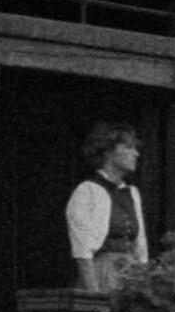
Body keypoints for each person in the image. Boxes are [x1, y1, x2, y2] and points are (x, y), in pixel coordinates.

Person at [63, 124, 149, 295]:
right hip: (102, 275)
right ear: (108, 152)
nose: (136, 154)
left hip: (131, 276)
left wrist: (144, 283)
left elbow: (140, 245)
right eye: (129, 148)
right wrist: (93, 296)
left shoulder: (131, 193)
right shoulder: (88, 191)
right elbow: (83, 252)